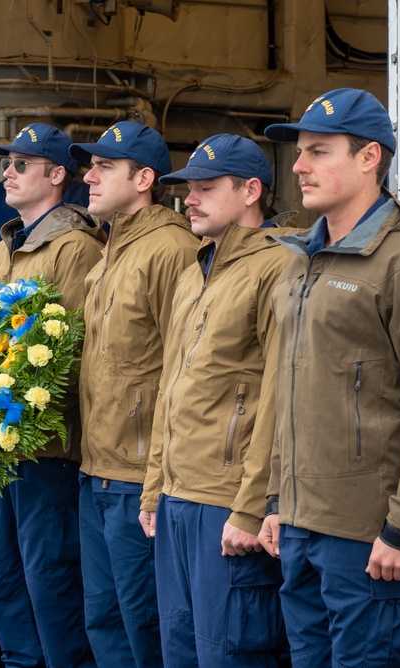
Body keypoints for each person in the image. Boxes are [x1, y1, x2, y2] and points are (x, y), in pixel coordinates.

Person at [257, 88, 400, 665]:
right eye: (300, 152)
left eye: (319, 151)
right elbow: (294, 390)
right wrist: (278, 498)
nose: (300, 166)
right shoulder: (300, 262)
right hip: (303, 530)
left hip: (369, 537)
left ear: (369, 157)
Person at [140, 134, 295, 666]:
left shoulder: (277, 267)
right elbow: (171, 387)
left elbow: (277, 397)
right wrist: (154, 487)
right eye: (188, 189)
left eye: (206, 188)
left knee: (230, 654)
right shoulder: (193, 270)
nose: (190, 200)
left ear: (251, 190)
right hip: (179, 498)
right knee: (180, 650)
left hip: (227, 502)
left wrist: (253, 506)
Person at [69, 121, 197, 667]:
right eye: (89, 166)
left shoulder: (171, 249)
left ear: (145, 178)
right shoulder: (109, 250)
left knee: (146, 623)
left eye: (104, 167)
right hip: (96, 467)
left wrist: (156, 477)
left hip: (137, 474)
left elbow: (182, 368)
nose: (88, 176)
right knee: (104, 616)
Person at [0, 122, 105, 667]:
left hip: (46, 445)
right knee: (1, 579)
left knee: (50, 584)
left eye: (22, 164)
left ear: (58, 175)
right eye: (7, 163)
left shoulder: (76, 247)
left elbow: (73, 349)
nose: (8, 172)